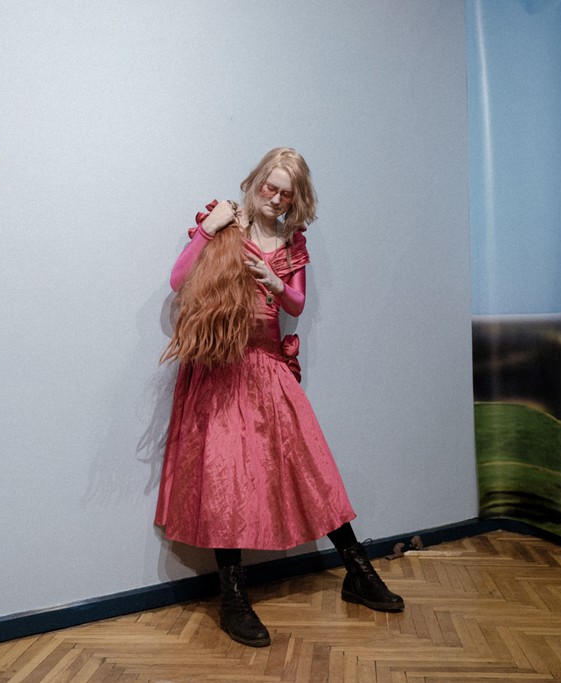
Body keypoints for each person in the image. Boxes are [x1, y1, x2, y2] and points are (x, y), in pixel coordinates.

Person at [155, 148, 403, 648]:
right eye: (270, 186)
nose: (275, 198)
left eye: (286, 193)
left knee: (311, 464)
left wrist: (274, 281)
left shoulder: (292, 244)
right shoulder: (224, 226)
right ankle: (232, 597)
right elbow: (179, 281)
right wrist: (208, 230)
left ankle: (358, 571)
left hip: (267, 365)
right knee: (225, 477)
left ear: (296, 199)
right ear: (254, 182)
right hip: (221, 366)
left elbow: (297, 303)